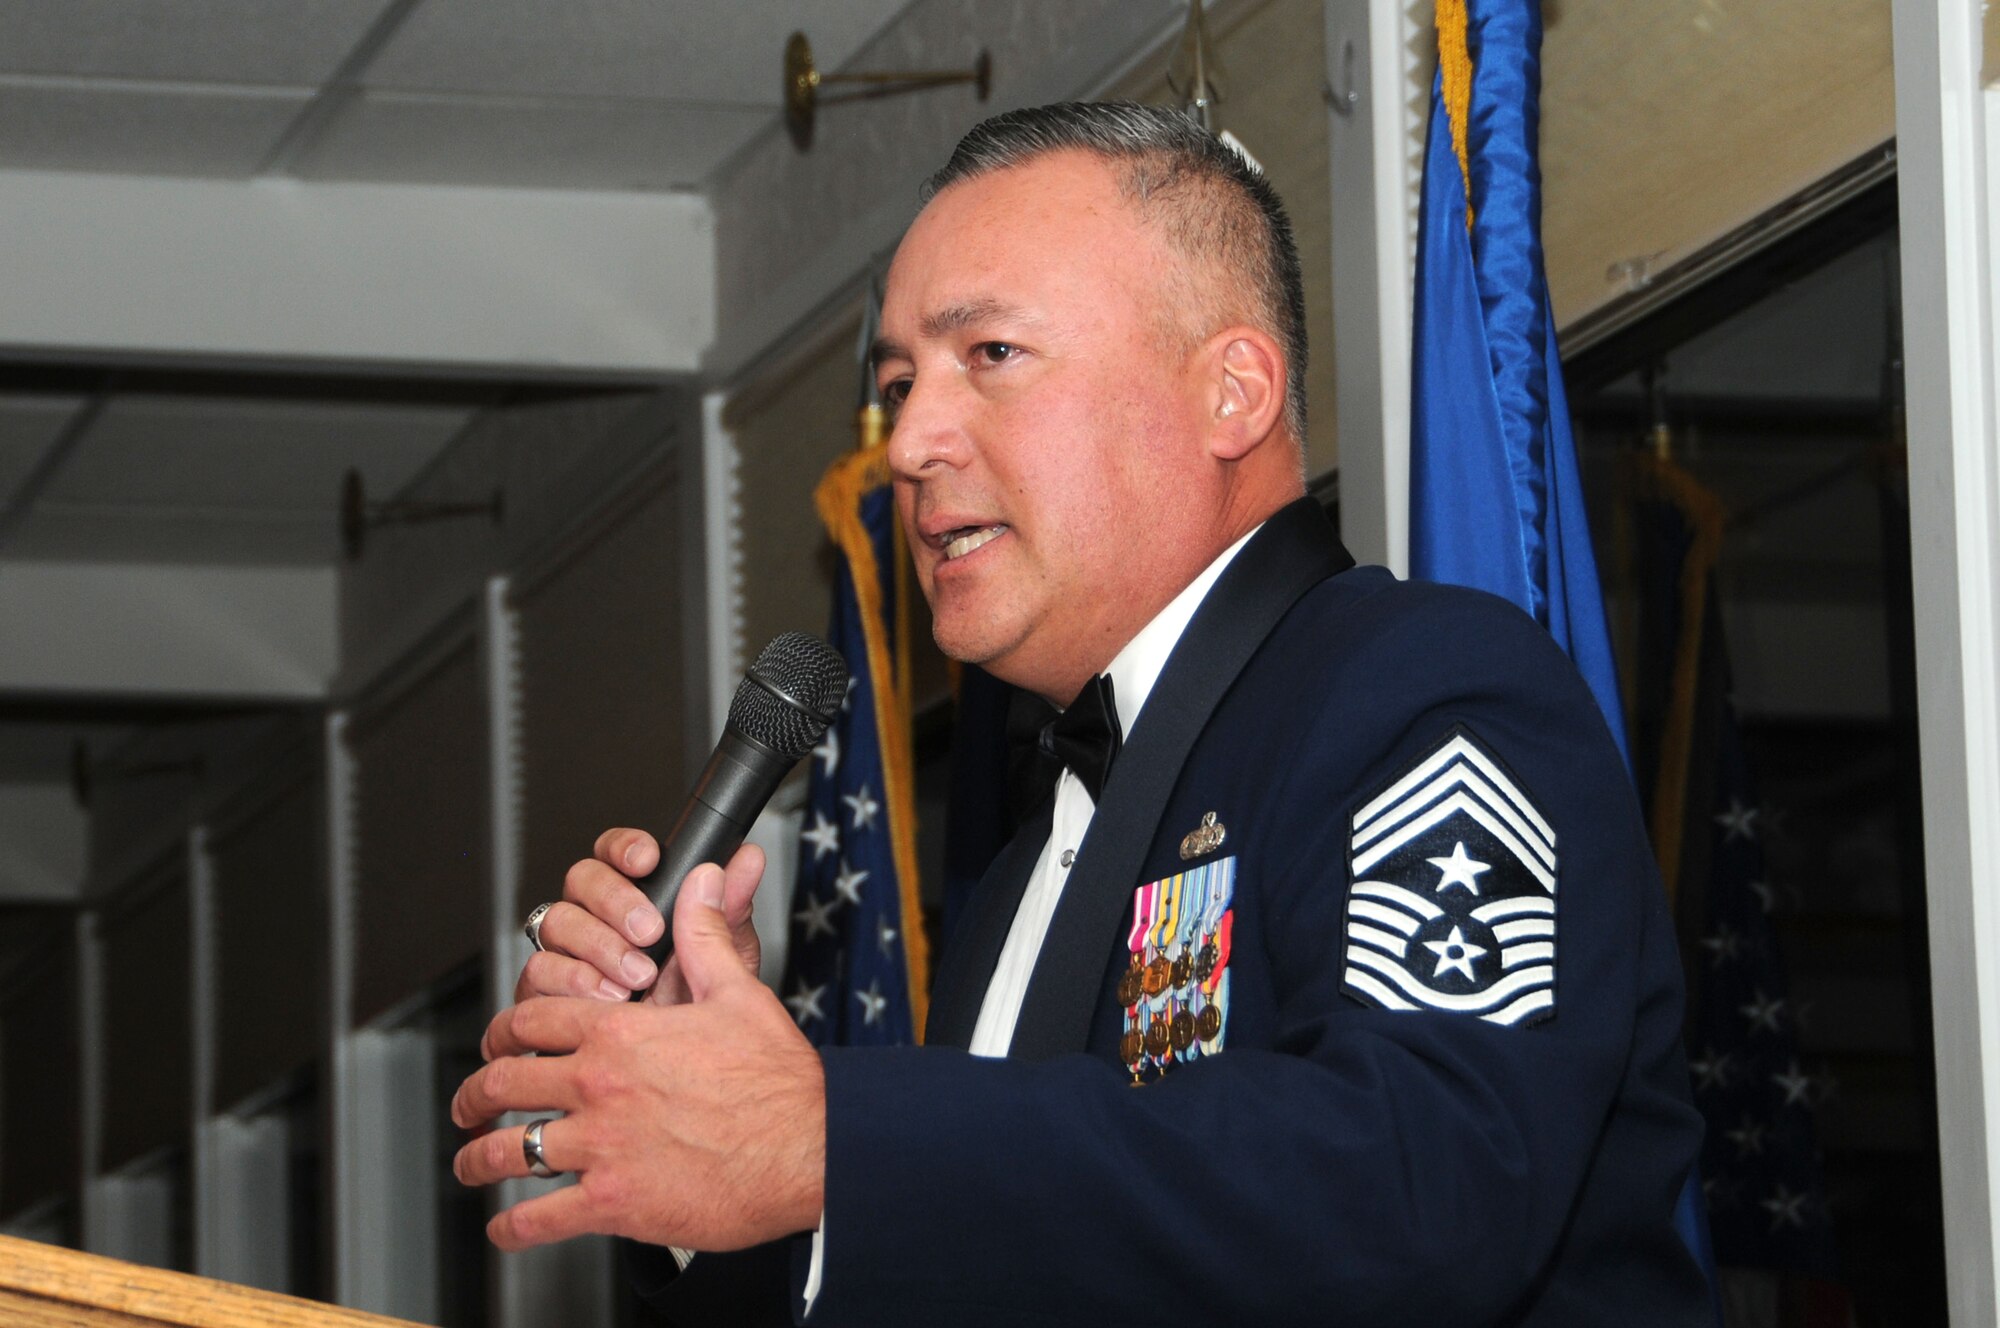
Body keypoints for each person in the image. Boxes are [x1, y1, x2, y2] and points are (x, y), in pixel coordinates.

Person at [450, 102, 1711, 1326]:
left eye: (988, 355)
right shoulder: (1023, 863)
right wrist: (713, 1151)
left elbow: (1426, 1183)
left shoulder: (1424, 692)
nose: (907, 441)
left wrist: (830, 1133)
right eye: (899, 382)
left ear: (1232, 393)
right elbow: (1015, 1257)